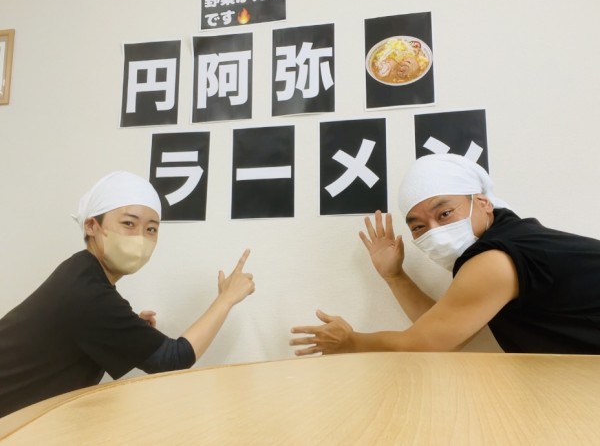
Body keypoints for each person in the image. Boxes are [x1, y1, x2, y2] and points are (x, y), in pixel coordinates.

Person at [290, 153, 600, 356]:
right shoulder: (514, 240)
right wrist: (395, 276)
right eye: (419, 226)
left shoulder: (496, 259)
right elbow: (448, 334)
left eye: (445, 213)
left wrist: (352, 341)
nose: (435, 230)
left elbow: (426, 343)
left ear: (483, 203)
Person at [0, 171, 255, 417]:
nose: (140, 239)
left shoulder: (83, 274)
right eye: (128, 224)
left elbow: (81, 331)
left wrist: (129, 330)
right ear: (92, 226)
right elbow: (173, 359)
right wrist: (226, 299)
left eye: (151, 229)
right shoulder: (88, 291)